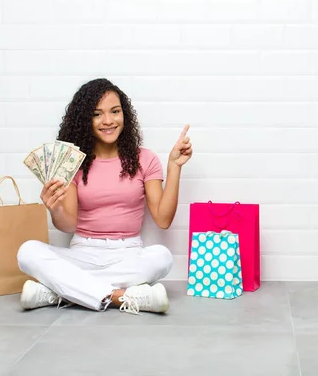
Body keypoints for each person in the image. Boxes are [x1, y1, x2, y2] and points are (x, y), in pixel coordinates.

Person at [16, 78, 192, 315]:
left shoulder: (145, 159)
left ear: (124, 115)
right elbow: (67, 225)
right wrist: (54, 208)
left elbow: (163, 219)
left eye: (115, 111)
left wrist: (174, 167)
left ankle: (60, 293)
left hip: (127, 254)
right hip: (82, 252)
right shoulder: (73, 162)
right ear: (85, 120)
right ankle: (121, 297)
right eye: (97, 114)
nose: (108, 121)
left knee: (162, 257)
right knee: (27, 252)